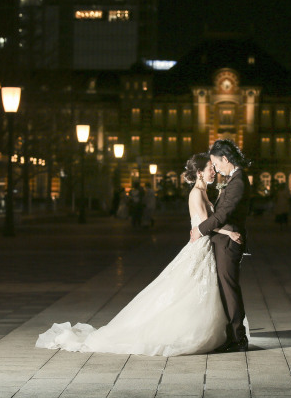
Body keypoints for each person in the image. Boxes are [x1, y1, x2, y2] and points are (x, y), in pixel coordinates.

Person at [35, 153, 242, 356]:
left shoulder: (203, 192)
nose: (213, 171)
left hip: (203, 247)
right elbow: (206, 224)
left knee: (194, 290)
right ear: (199, 172)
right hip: (200, 247)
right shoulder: (196, 193)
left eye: (213, 168)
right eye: (209, 168)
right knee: (184, 290)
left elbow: (205, 224)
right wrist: (229, 232)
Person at [189, 139, 251, 353]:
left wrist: (201, 229)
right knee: (225, 288)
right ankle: (232, 334)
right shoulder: (233, 180)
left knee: (229, 288)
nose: (215, 168)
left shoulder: (238, 181)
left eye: (216, 164)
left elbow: (223, 214)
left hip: (228, 243)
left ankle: (238, 337)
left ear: (225, 159)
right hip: (224, 239)